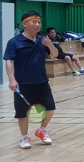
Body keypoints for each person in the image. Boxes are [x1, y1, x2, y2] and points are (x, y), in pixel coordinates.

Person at [3, 11, 58, 149]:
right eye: (34, 22)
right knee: (22, 113)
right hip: (23, 84)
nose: (37, 25)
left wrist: (50, 45)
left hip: (42, 82)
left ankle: (42, 130)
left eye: (39, 22)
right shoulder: (14, 42)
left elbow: (55, 54)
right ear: (24, 23)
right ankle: (24, 137)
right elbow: (9, 61)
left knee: (50, 108)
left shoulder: (42, 40)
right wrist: (11, 79)